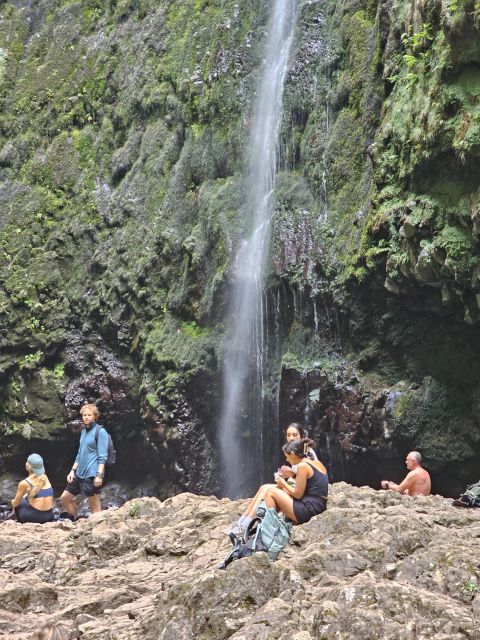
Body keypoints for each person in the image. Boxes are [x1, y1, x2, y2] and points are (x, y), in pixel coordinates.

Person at [226, 423, 318, 536]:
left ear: (302, 436)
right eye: (289, 435)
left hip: (304, 496)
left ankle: (245, 525)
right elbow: (300, 477)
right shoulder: (297, 451)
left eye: (295, 434)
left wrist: (285, 481)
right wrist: (290, 474)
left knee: (266, 490)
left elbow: (308, 478)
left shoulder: (307, 453)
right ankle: (242, 522)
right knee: (263, 487)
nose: (291, 438)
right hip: (299, 490)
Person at [264, 438, 328, 524]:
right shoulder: (315, 462)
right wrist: (293, 475)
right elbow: (311, 483)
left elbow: (298, 494)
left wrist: (283, 483)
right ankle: (277, 521)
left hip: (310, 508)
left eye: (287, 456)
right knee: (280, 490)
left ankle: (272, 526)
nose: (287, 460)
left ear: (293, 454)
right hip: (318, 505)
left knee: (271, 492)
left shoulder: (302, 466)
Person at [61, 404, 108, 519]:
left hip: (92, 473)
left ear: (95, 416)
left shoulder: (100, 432)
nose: (86, 417)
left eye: (89, 415)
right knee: (65, 498)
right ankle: (74, 521)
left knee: (94, 505)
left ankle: (99, 530)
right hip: (79, 473)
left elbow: (103, 456)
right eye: (84, 415)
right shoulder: (83, 432)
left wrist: (99, 475)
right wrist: (72, 471)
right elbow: (80, 453)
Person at [11, 453, 54, 524]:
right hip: (49, 516)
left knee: (18, 503)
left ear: (28, 466)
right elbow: (36, 492)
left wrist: (12, 502)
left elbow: (15, 504)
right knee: (23, 498)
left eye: (27, 462)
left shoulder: (24, 483)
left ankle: (19, 523)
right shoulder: (44, 477)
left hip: (33, 518)